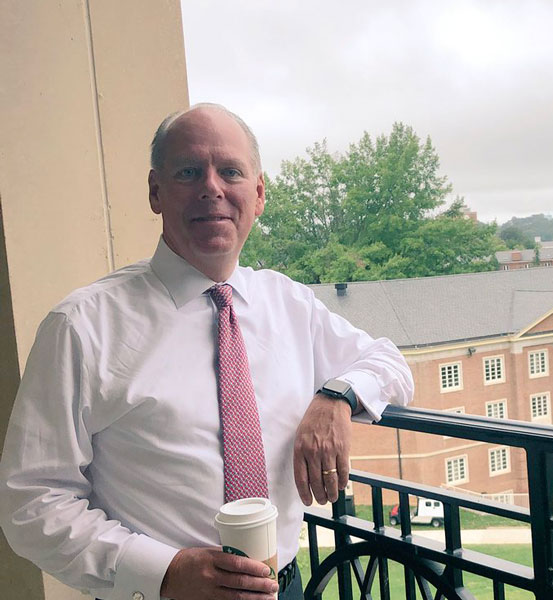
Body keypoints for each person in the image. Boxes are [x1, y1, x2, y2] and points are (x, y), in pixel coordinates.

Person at [0, 104, 413, 600]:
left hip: (288, 588)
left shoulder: (289, 303)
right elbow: (32, 502)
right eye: (189, 171)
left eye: (231, 172)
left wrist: (337, 397)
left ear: (258, 194)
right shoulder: (82, 326)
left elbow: (390, 363)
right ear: (156, 191)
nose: (211, 188)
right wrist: (163, 572)